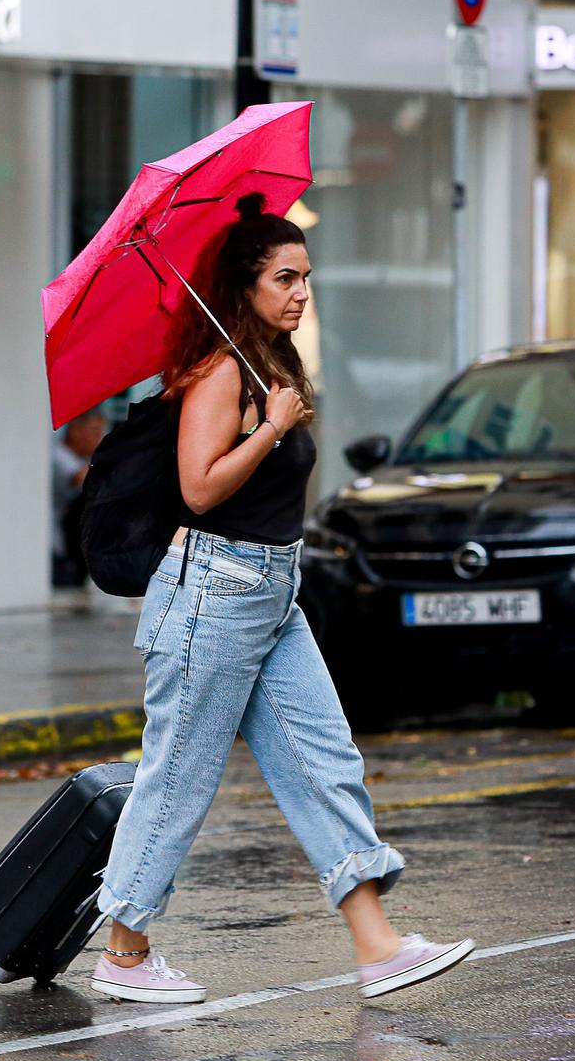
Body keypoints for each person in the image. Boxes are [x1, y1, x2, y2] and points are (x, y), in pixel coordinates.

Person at [90, 193, 474, 1005]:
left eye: (306, 278)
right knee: (181, 776)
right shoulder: (219, 373)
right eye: (285, 278)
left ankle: (378, 945)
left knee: (321, 757)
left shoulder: (268, 365)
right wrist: (268, 430)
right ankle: (123, 949)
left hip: (272, 590)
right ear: (246, 284)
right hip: (213, 594)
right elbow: (198, 488)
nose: (301, 292)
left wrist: (278, 414)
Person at [51, 410, 107, 588]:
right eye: (95, 433)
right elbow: (86, 480)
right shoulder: (58, 456)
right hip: (56, 546)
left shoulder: (82, 459)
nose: (99, 440)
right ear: (75, 431)